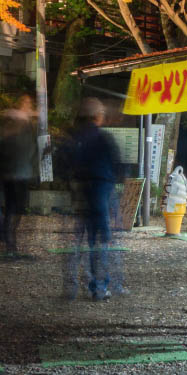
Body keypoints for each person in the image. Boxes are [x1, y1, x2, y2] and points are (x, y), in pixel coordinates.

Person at [69, 97, 125, 301]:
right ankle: (101, 286)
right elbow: (118, 165)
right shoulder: (103, 138)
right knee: (102, 240)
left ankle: (73, 287)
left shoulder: (76, 137)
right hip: (102, 192)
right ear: (98, 116)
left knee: (83, 240)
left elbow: (67, 162)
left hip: (81, 194)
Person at [0, 92, 39, 258]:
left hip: (10, 173)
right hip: (17, 173)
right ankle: (9, 245)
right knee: (15, 210)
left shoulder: (10, 124)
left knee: (11, 209)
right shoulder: (21, 125)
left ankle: (8, 243)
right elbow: (28, 151)